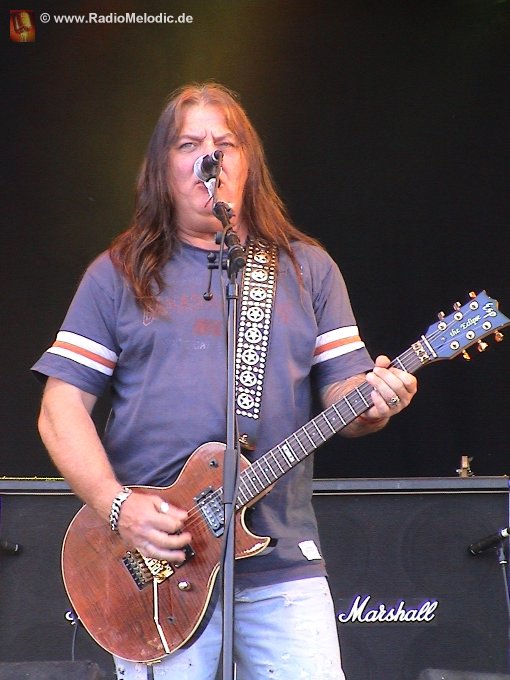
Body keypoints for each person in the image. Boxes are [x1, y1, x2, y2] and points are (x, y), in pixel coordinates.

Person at [32, 82, 417, 680]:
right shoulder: (118, 273)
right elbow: (59, 410)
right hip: (156, 563)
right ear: (163, 168)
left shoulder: (306, 268)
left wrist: (375, 400)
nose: (208, 156)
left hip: (281, 561)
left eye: (224, 143)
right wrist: (118, 506)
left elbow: (346, 393)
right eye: (189, 144)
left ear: (248, 163)